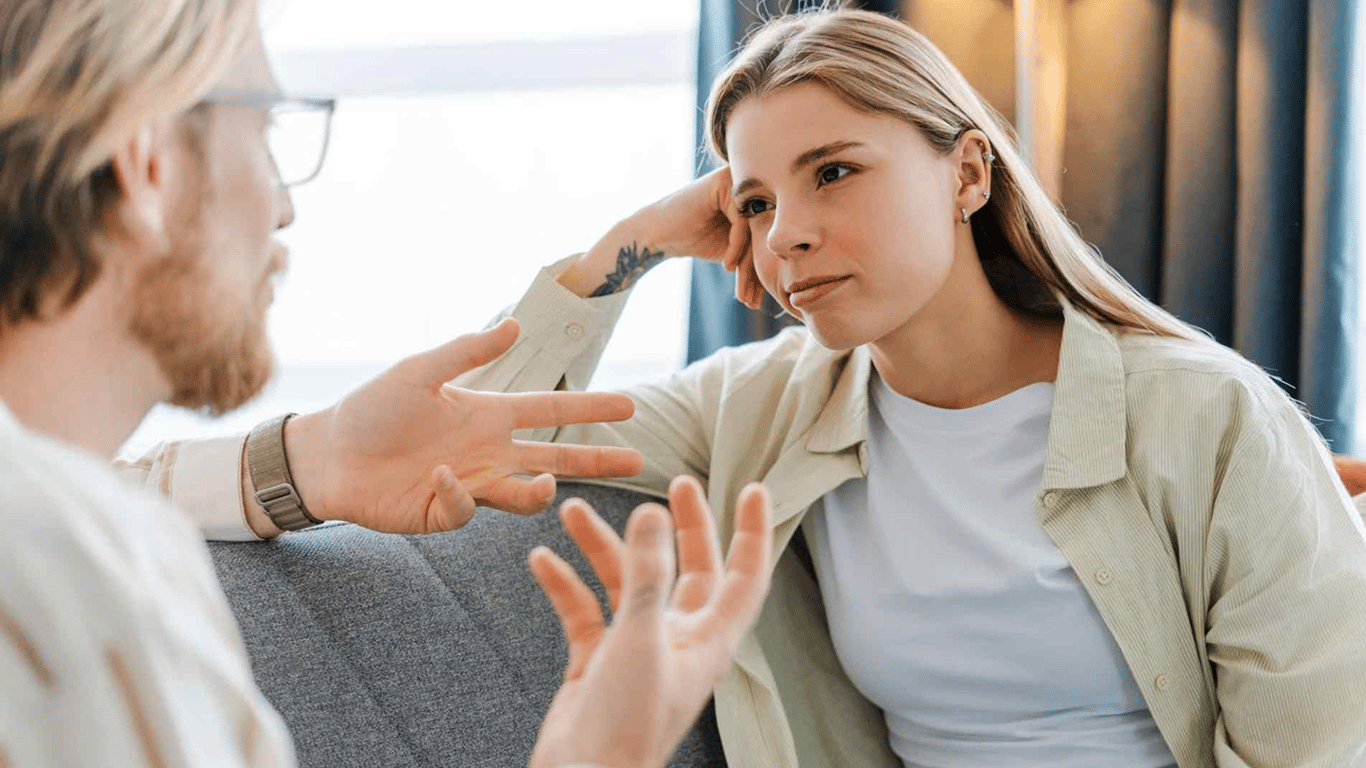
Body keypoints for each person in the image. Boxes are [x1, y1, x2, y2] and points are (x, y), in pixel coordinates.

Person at [102, 6, 1366, 768]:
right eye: (754, 202)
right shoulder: (755, 409)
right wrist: (625, 252)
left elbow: (1313, 744)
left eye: (834, 173)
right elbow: (498, 431)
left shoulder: (1202, 416)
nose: (786, 233)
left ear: (968, 174)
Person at [0, 1, 773, 766]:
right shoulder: (81, 586)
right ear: (148, 164)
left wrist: (312, 458)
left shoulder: (83, 530)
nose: (284, 207)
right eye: (266, 132)